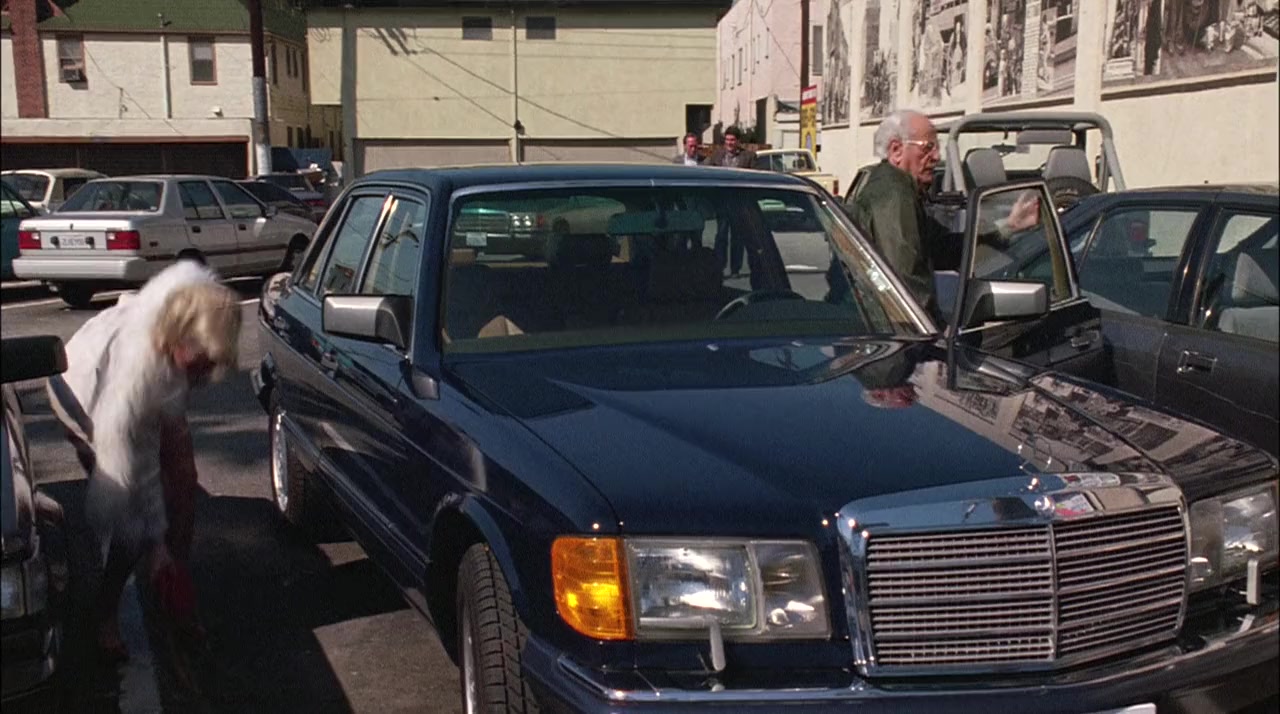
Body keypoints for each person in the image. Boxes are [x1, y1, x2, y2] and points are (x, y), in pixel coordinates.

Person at [46, 260, 241, 660]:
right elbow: (141, 471)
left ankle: (175, 589)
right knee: (132, 524)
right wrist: (156, 542)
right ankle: (105, 611)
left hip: (144, 368)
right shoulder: (134, 385)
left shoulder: (189, 305)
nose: (208, 370)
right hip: (80, 394)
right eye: (202, 359)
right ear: (180, 340)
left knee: (184, 482)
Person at [844, 109, 1038, 321]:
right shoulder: (894, 193)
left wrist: (1009, 225)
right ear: (896, 150)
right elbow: (903, 281)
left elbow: (943, 248)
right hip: (894, 328)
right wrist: (931, 329)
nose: (936, 157)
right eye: (928, 147)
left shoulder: (899, 189)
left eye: (937, 148)